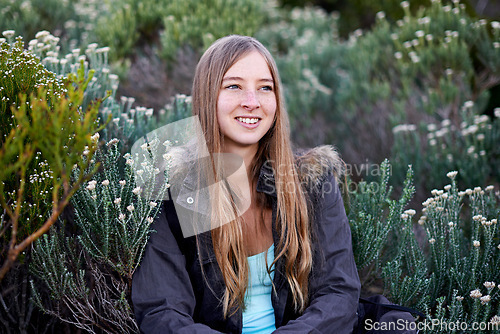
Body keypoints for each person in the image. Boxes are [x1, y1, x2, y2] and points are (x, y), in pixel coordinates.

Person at [131, 35, 361, 333]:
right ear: (207, 95)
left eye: (265, 88)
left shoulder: (312, 181)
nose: (252, 102)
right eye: (234, 86)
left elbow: (338, 294)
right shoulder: (171, 191)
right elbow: (163, 312)